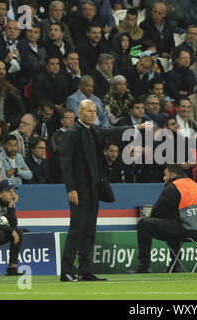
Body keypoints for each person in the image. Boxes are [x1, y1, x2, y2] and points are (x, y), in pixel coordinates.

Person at [59, 99, 152, 281]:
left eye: (94, 111)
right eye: (88, 111)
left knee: (89, 231)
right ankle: (66, 271)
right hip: (79, 189)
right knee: (76, 230)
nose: (92, 114)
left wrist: (137, 128)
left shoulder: (93, 130)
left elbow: (113, 132)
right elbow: (65, 163)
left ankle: (85, 271)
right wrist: (71, 188)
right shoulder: (72, 133)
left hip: (94, 188)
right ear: (80, 111)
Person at [129, 164, 197, 273]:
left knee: (144, 224)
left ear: (172, 175)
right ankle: (176, 266)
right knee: (173, 224)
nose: (163, 178)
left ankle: (144, 266)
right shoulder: (194, 184)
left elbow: (157, 212)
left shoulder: (174, 186)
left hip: (187, 229)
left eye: (165, 175)